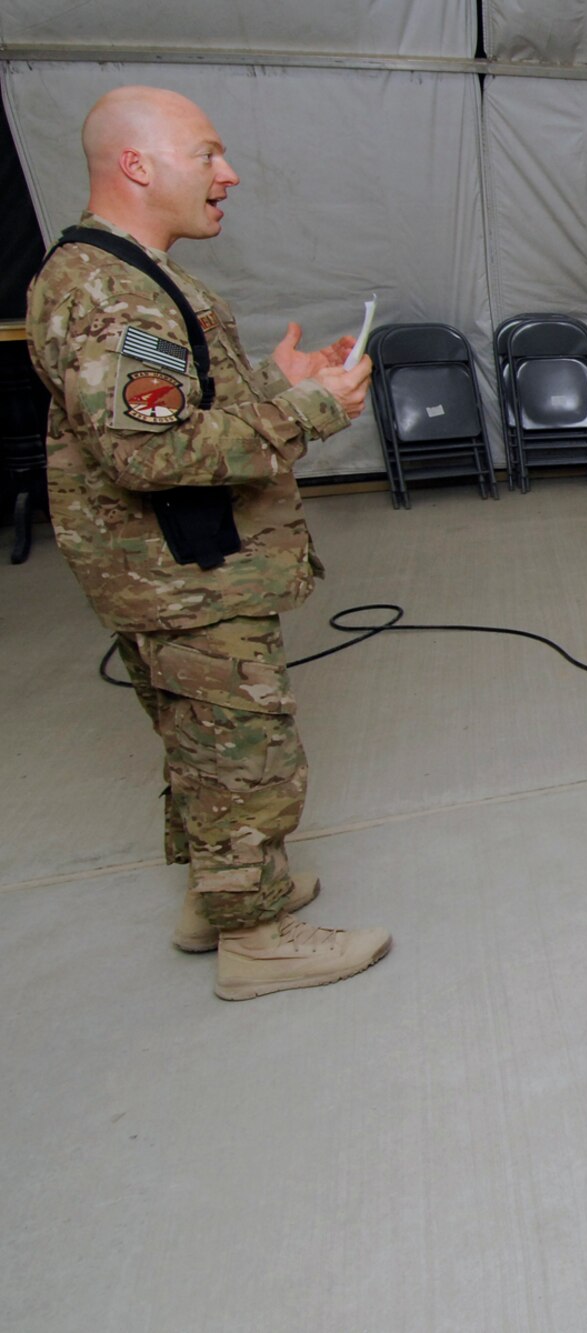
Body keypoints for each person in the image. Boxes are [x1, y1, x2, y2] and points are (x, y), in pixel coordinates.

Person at [26, 86, 390, 1000]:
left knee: (200, 741)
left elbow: (163, 410)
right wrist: (309, 410)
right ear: (138, 165)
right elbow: (150, 452)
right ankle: (258, 937)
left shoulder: (127, 274)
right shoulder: (113, 292)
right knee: (242, 752)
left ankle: (219, 896)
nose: (228, 174)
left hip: (171, 566)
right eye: (208, 153)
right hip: (183, 573)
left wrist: (272, 380)